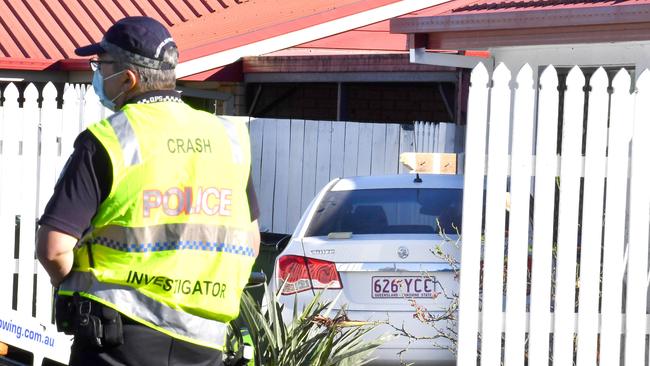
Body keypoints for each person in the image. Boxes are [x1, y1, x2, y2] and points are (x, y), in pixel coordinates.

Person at [36, 16, 260, 366]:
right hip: (205, 344)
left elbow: (54, 249)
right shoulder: (227, 139)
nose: (96, 72)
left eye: (101, 64)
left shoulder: (109, 140)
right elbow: (251, 241)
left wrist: (77, 289)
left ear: (128, 78)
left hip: (116, 340)